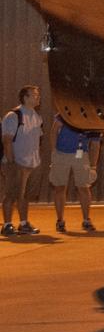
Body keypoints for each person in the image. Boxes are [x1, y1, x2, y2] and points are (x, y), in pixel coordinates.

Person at [2, 85, 44, 235]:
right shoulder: (13, 116)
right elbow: (7, 140)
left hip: (32, 163)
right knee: (11, 194)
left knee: (25, 195)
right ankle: (7, 225)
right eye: (35, 95)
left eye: (38, 95)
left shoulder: (37, 116)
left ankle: (23, 223)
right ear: (25, 98)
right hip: (16, 162)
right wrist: (11, 161)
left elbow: (37, 140)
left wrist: (37, 160)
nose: (38, 97)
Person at [49, 112, 101, 232]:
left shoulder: (93, 118)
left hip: (82, 155)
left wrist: (93, 166)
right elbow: (54, 130)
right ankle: (60, 221)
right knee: (60, 187)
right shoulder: (66, 111)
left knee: (84, 187)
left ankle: (86, 220)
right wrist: (54, 152)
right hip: (61, 154)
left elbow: (96, 144)